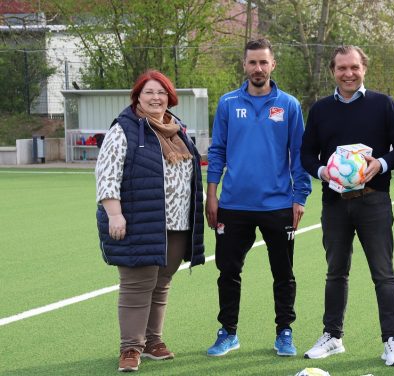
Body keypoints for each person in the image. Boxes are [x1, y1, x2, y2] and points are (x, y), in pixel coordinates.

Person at [300, 45, 394, 367]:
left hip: (373, 202)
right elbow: (307, 153)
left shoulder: (383, 105)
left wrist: (383, 163)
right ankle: (332, 337)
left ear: (364, 68)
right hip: (334, 204)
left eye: (354, 67)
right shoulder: (320, 110)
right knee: (336, 272)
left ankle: (392, 342)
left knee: (384, 274)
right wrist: (323, 171)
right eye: (341, 68)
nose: (348, 74)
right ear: (333, 72)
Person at [205, 38, 312, 358]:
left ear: (273, 65)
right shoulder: (227, 103)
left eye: (263, 62)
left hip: (278, 205)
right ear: (244, 65)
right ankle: (228, 332)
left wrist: (300, 197)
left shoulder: (289, 105)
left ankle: (284, 332)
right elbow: (217, 151)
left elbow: (299, 155)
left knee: (283, 273)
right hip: (233, 204)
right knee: (228, 271)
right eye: (252, 62)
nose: (258, 68)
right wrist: (212, 195)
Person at [95, 69, 206, 372]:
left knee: (162, 284)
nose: (156, 98)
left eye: (161, 92)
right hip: (140, 221)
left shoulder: (178, 129)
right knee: (136, 285)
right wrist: (114, 214)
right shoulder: (125, 129)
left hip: (178, 223)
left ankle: (153, 342)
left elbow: (190, 173)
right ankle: (130, 347)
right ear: (138, 97)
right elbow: (107, 174)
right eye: (149, 92)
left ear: (169, 97)